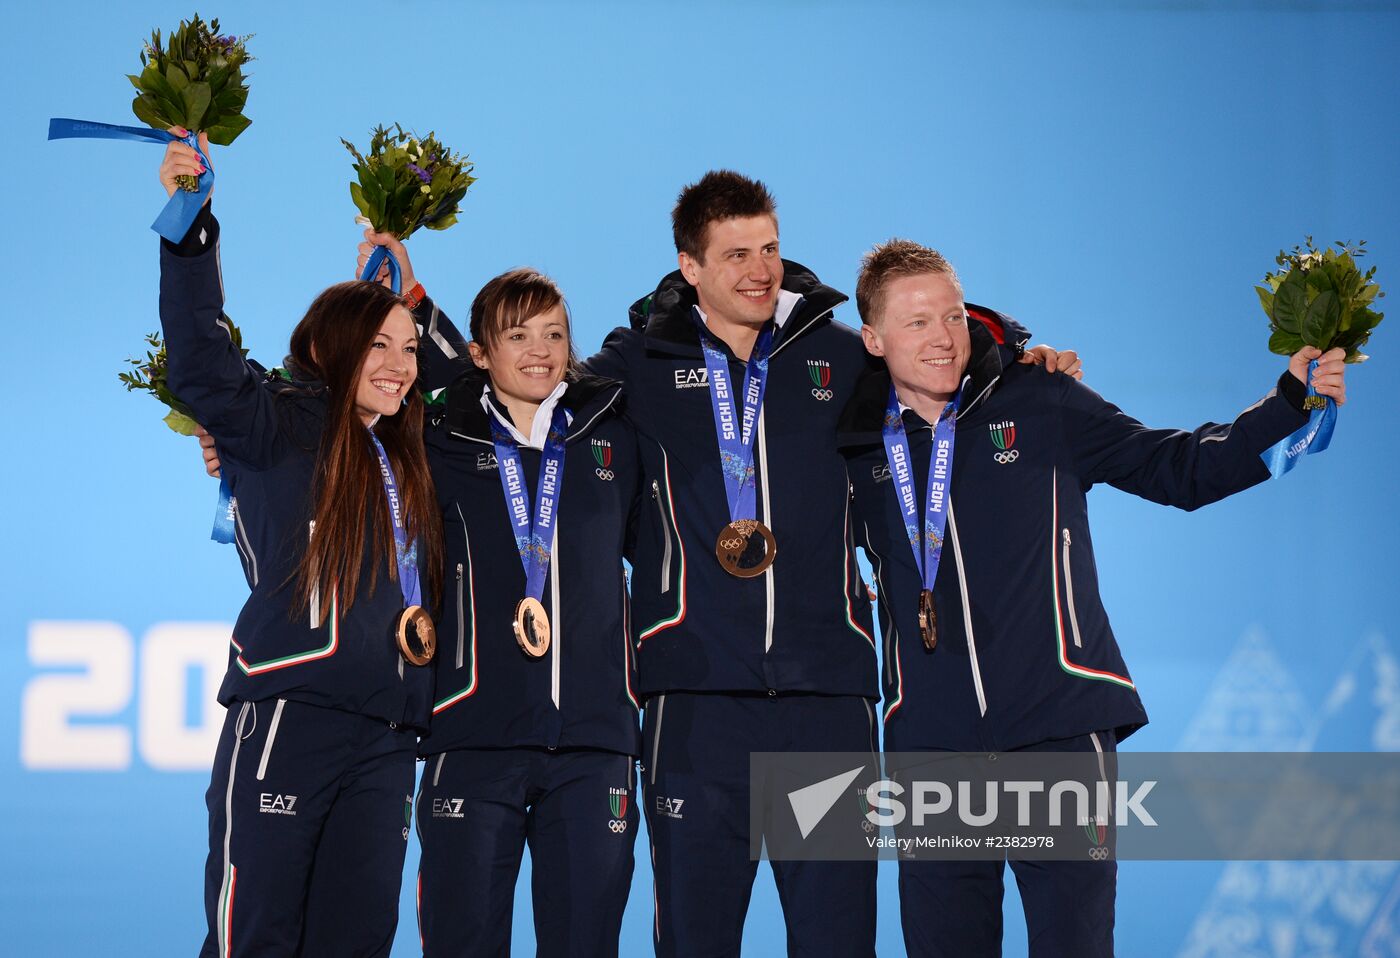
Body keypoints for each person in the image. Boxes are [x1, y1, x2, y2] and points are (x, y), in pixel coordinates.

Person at [350, 170, 1073, 956]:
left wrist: (1021, 357)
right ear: (690, 267)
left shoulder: (837, 352)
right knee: (695, 939)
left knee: (836, 939)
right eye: (735, 255)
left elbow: (932, 357)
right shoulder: (637, 364)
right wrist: (422, 316)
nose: (759, 270)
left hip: (824, 704)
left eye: (768, 248)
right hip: (693, 706)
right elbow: (527, 390)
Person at [836, 238, 1349, 958]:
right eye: (916, 323)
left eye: (951, 315)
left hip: (1058, 728)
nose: (942, 338)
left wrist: (1291, 400)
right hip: (932, 746)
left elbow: (1181, 468)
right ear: (873, 338)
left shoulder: (1042, 398)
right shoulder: (855, 449)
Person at [157, 132, 441, 958]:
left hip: (389, 738)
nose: (398, 367)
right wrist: (190, 221)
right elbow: (203, 360)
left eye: (409, 351)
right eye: (378, 346)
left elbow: (483, 394)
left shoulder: (416, 455)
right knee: (257, 940)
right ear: (326, 350)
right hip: (290, 712)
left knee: (355, 943)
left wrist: (413, 296)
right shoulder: (273, 422)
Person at [413, 268, 642, 957]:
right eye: (517, 335)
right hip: (472, 735)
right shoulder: (438, 442)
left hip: (593, 743)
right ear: (480, 353)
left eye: (554, 333)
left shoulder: (615, 437)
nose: (540, 350)